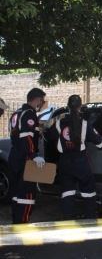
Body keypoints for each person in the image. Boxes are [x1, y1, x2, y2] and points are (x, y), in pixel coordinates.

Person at [45, 95, 102, 220]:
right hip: (81, 163)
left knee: (67, 194)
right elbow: (99, 141)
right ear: (80, 107)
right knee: (88, 194)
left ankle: (67, 222)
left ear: (68, 107)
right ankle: (90, 221)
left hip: (65, 163)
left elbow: (48, 138)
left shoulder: (58, 124)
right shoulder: (85, 125)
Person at [8, 88, 46, 224]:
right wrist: (34, 155)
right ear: (37, 100)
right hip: (25, 158)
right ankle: (22, 224)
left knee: (17, 193)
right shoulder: (30, 114)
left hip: (15, 156)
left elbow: (18, 135)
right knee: (27, 193)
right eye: (42, 101)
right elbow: (27, 138)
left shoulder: (16, 113)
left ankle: (16, 222)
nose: (42, 104)